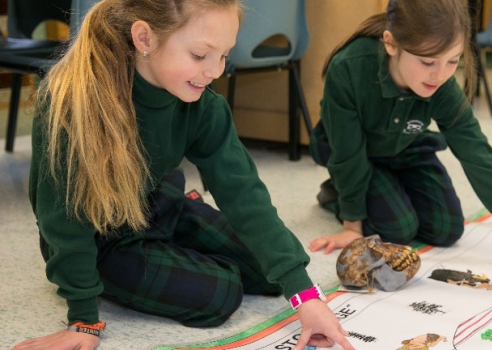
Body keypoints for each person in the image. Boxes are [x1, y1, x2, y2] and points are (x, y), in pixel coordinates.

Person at [14, 1, 354, 349]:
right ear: (144, 38)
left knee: (268, 272)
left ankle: (171, 242)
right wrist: (83, 316)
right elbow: (62, 221)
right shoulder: (72, 101)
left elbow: (244, 193)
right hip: (100, 238)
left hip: (159, 205)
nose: (215, 72)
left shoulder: (203, 105)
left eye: (223, 55)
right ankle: (149, 260)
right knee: (222, 294)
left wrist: (305, 295)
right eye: (199, 55)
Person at [307, 0, 492, 310]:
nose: (440, 75)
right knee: (398, 228)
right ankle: (335, 193)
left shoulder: (440, 82)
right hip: (357, 152)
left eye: (452, 61)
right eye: (427, 62)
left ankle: (386, 187)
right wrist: (352, 225)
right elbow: (347, 153)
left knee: (447, 229)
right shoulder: (350, 66)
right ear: (391, 44)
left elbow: (478, 156)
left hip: (406, 146)